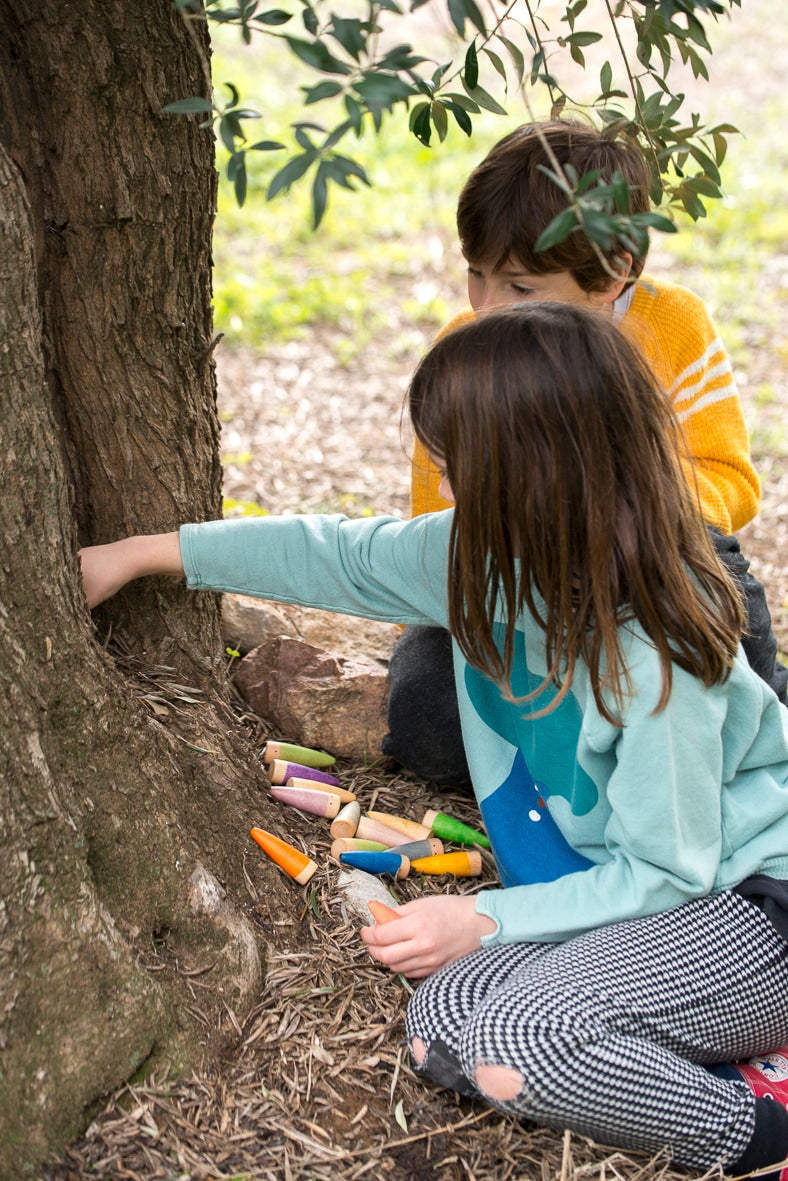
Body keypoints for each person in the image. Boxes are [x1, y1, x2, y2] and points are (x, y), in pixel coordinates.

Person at [81, 304, 788, 1177]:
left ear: (529, 480)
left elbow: (670, 873)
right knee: (445, 1022)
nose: (442, 491)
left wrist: (486, 913)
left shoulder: (654, 661)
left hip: (750, 902)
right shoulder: (477, 554)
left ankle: (760, 1130)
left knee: (512, 1039)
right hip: (655, 895)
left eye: (456, 469)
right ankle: (677, 1042)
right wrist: (141, 553)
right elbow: (329, 556)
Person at [382, 119, 787, 791]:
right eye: (475, 276)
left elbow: (728, 480)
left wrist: (616, 521)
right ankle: (592, 756)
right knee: (426, 713)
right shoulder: (467, 349)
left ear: (612, 273)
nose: (485, 308)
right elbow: (438, 526)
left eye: (518, 287)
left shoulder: (673, 327)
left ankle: (731, 713)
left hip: (644, 580)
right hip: (508, 599)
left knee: (728, 602)